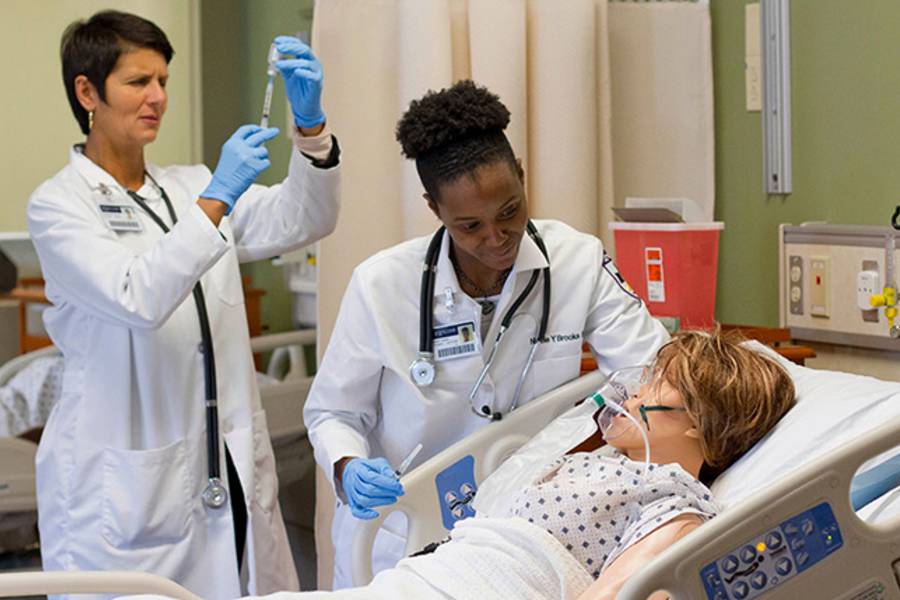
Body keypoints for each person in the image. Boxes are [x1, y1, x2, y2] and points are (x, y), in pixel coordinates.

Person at [303, 79, 670, 588]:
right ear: (434, 209)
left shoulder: (576, 260)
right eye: (470, 226)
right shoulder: (382, 285)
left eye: (509, 212)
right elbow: (333, 412)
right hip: (403, 536)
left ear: (521, 177)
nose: (497, 239)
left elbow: (652, 369)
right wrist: (347, 466)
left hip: (524, 531)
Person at [27, 10, 340, 599]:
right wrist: (218, 196)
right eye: (138, 82)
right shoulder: (59, 205)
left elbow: (305, 218)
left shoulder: (186, 184)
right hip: (125, 480)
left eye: (163, 81)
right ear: (87, 91)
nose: (158, 98)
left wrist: (311, 128)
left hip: (222, 462)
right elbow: (138, 295)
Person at [241, 330, 795, 599]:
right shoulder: (602, 461)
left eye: (653, 382)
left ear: (697, 418)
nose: (629, 391)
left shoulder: (673, 503)